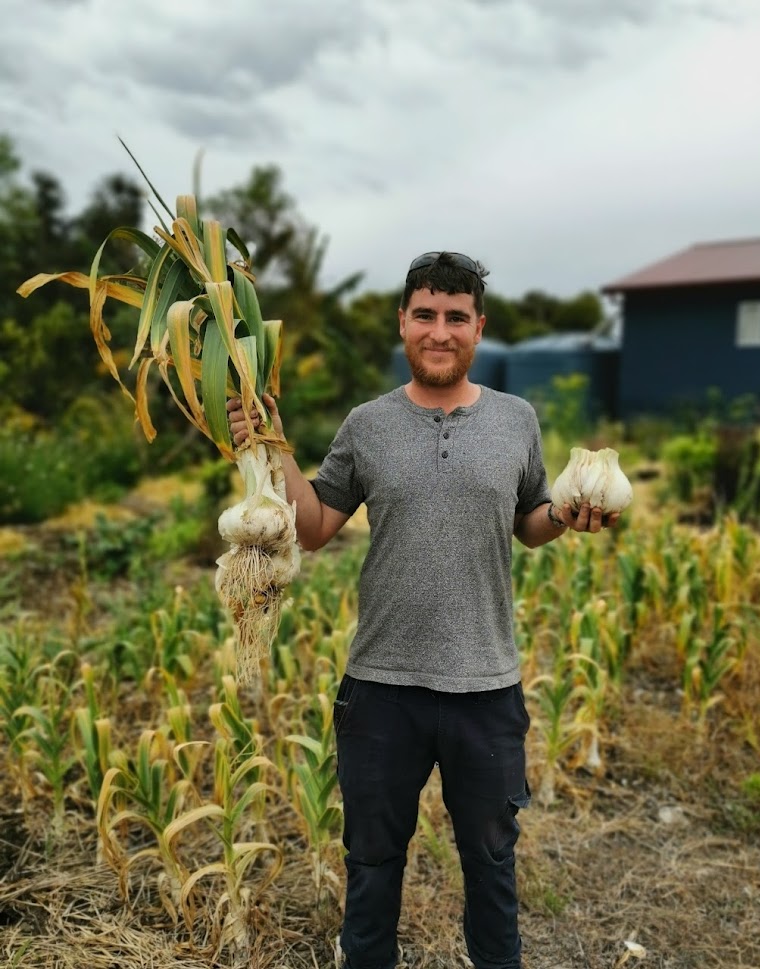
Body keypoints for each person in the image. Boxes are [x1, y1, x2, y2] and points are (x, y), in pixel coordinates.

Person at [227, 251, 618, 969]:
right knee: (372, 864)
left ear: (478, 327)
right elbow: (313, 527)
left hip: (485, 686)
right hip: (381, 686)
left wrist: (567, 515)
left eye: (457, 318)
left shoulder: (516, 419)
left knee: (493, 864)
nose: (441, 331)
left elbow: (531, 523)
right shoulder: (368, 424)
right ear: (404, 322)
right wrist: (267, 441)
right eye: (427, 316)